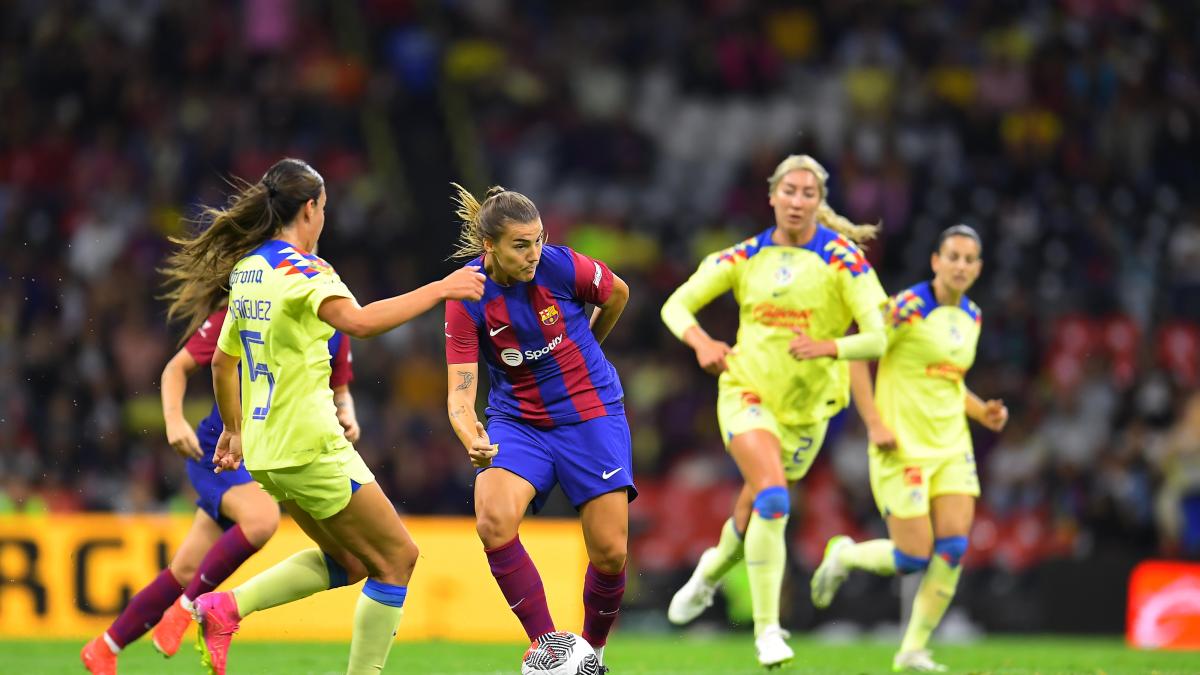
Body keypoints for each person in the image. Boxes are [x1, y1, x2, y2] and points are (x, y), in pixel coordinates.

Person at [167, 157, 483, 675]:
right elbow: (357, 323)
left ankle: (225, 607)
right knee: (398, 559)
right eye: (324, 209)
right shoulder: (306, 271)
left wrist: (233, 428)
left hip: (268, 452)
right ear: (311, 208)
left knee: (352, 562)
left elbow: (223, 364)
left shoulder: (247, 271)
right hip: (311, 444)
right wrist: (441, 288)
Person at [662, 155, 889, 668]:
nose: (797, 200)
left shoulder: (845, 260)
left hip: (808, 413)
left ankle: (709, 572)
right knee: (773, 498)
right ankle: (769, 631)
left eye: (808, 192)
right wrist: (701, 343)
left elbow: (880, 335)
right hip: (745, 393)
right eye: (789, 190)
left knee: (755, 509)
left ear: (819, 201)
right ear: (772, 196)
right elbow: (676, 304)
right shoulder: (744, 256)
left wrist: (831, 348)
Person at [80, 294, 360, 674]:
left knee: (184, 568)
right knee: (262, 520)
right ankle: (188, 607)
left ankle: (105, 647)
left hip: (269, 452)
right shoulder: (251, 307)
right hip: (223, 448)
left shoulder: (333, 313)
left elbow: (339, 386)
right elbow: (176, 369)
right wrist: (174, 420)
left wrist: (347, 415)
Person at [443, 184, 632, 671]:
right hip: (519, 421)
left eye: (539, 240)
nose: (533, 254)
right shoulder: (466, 295)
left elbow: (618, 294)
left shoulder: (561, 265)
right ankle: (550, 650)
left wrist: (587, 340)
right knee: (492, 519)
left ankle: (592, 653)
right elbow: (461, 393)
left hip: (590, 412)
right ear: (490, 247)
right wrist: (472, 437)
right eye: (520, 244)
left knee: (610, 552)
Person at [810, 224, 1008, 672]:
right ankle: (845, 554)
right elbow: (860, 352)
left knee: (954, 547)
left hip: (952, 444)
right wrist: (874, 422)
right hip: (903, 446)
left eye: (969, 259)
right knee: (912, 556)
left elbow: (948, 380)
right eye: (952, 256)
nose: (960, 265)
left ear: (978, 268)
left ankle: (913, 648)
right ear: (936, 261)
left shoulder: (971, 316)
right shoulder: (908, 307)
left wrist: (981, 412)